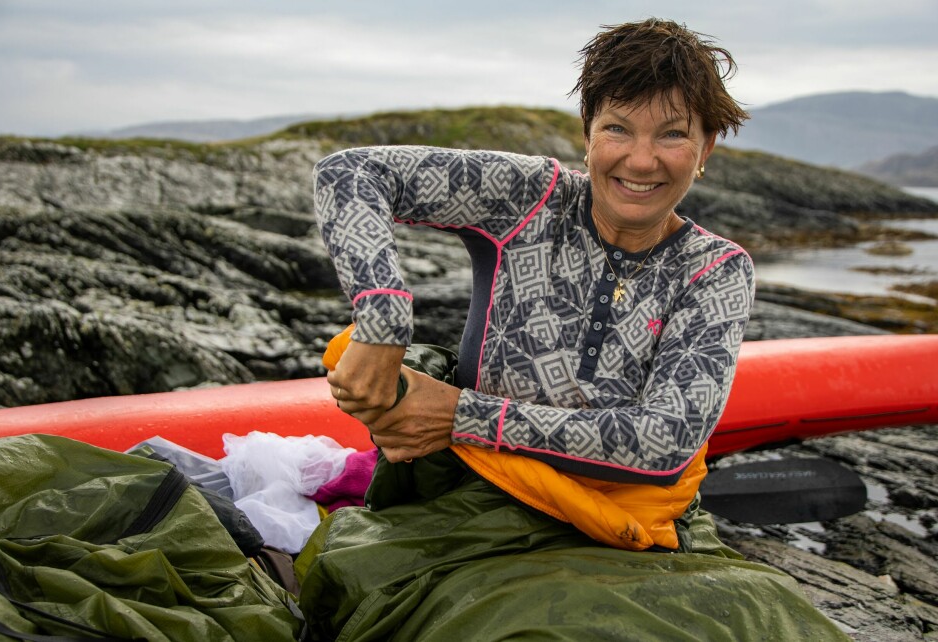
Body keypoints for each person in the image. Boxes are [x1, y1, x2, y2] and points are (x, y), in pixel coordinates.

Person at [298, 18, 850, 641]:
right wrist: (383, 319)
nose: (641, 160)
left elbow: (663, 444)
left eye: (672, 134)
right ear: (587, 132)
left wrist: (459, 414)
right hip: (476, 505)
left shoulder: (715, 270)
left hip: (630, 528)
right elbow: (351, 173)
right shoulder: (528, 199)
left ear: (706, 148)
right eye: (618, 128)